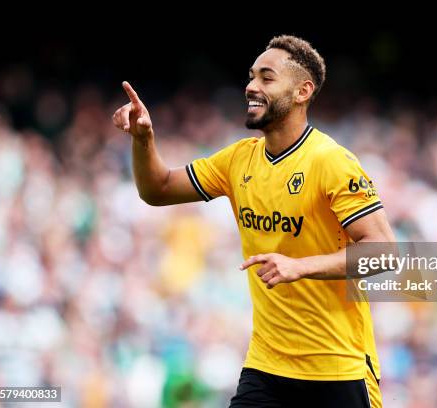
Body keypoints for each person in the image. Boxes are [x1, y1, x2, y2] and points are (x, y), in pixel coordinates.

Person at [112, 34, 395, 408]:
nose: (251, 86)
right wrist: (143, 139)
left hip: (337, 368)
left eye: (266, 77)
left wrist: (299, 266)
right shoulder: (238, 160)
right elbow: (158, 189)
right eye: (251, 76)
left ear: (302, 91)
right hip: (267, 367)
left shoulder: (331, 161)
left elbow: (386, 254)